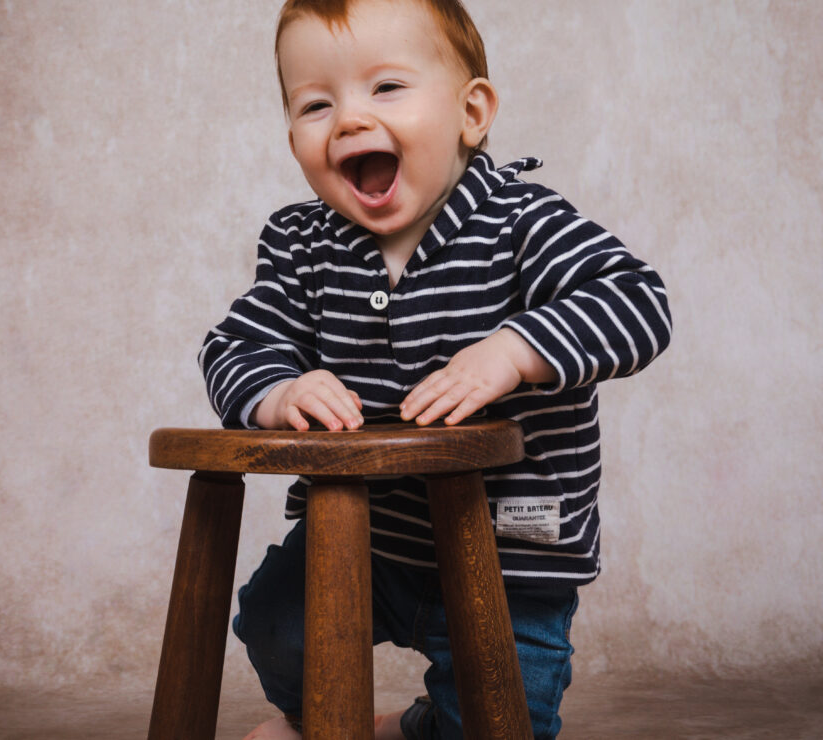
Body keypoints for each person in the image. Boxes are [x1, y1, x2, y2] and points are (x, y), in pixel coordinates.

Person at [198, 0, 672, 737]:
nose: (350, 119)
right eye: (316, 104)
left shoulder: (520, 221)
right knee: (273, 623)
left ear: (470, 111)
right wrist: (280, 389)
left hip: (507, 553)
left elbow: (637, 302)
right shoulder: (301, 245)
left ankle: (417, 725)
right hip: (361, 537)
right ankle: (318, 720)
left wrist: (515, 352)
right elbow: (232, 345)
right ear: (292, 136)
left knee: (494, 717)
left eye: (386, 88)